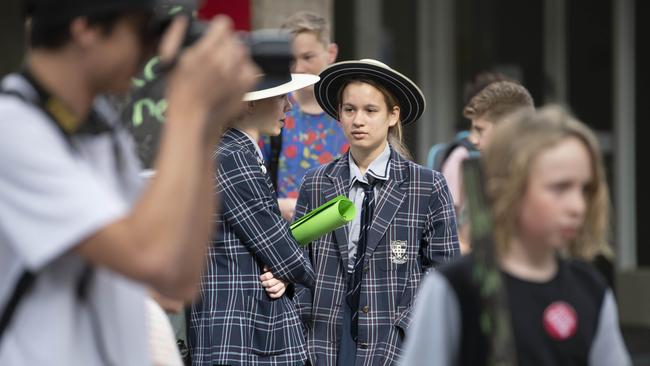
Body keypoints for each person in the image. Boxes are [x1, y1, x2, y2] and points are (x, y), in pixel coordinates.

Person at [0, 0, 257, 364]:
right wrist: (186, 107)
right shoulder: (13, 130)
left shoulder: (100, 129)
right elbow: (149, 255)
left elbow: (176, 283)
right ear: (85, 28)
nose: (152, 51)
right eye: (143, 31)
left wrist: (205, 126)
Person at [401, 105, 631, 365]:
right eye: (560, 187)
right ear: (511, 188)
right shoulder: (456, 287)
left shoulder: (590, 290)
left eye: (585, 189)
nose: (577, 206)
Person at [293, 59, 461, 365]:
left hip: (394, 336)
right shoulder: (316, 183)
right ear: (339, 116)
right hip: (324, 335)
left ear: (392, 115)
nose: (358, 120)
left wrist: (408, 323)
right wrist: (306, 314)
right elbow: (298, 260)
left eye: (370, 110)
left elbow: (444, 268)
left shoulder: (426, 185)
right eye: (349, 110)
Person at [187, 49, 319, 365]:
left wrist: (285, 270)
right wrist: (294, 269)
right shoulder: (234, 156)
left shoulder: (229, 152)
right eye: (279, 97)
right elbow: (285, 253)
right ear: (249, 103)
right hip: (240, 335)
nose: (289, 105)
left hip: (236, 332)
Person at [261, 11, 346, 221]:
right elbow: (250, 181)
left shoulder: (350, 110)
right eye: (291, 60)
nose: (299, 68)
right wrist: (276, 204)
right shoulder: (271, 110)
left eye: (308, 57)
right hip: (285, 234)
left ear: (331, 52)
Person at [443, 79, 534, 252]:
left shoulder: (541, 181)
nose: (474, 140)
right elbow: (468, 244)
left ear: (508, 129)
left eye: (480, 130)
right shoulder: (481, 174)